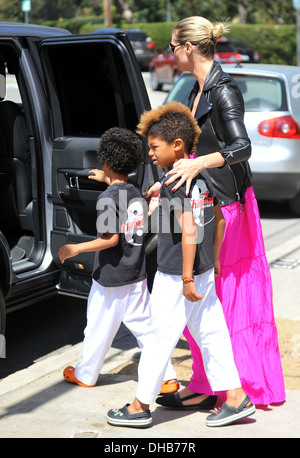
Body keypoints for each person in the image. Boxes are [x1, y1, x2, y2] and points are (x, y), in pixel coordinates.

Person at [153, 16, 285, 408]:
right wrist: (173, 174)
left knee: (214, 295)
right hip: (205, 200)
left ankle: (229, 387)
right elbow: (191, 151)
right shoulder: (197, 89)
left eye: (172, 46)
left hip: (228, 207)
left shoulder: (224, 91)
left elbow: (242, 147)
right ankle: (206, 381)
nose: (169, 53)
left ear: (188, 48)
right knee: (200, 294)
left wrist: (197, 165)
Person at [107, 102, 255, 428]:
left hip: (178, 275)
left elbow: (188, 228)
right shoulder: (197, 174)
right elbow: (215, 219)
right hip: (201, 270)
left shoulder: (176, 182)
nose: (150, 155)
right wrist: (211, 260)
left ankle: (139, 406)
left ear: (176, 146)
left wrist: (186, 277)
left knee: (158, 337)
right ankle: (235, 397)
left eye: (154, 148)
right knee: (212, 333)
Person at [59, 127, 175, 388]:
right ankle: (166, 377)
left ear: (105, 161)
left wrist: (76, 249)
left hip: (111, 276)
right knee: (145, 326)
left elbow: (110, 239)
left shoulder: (106, 199)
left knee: (98, 327)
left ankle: (86, 374)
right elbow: (123, 195)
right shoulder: (133, 190)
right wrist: (106, 178)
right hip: (136, 271)